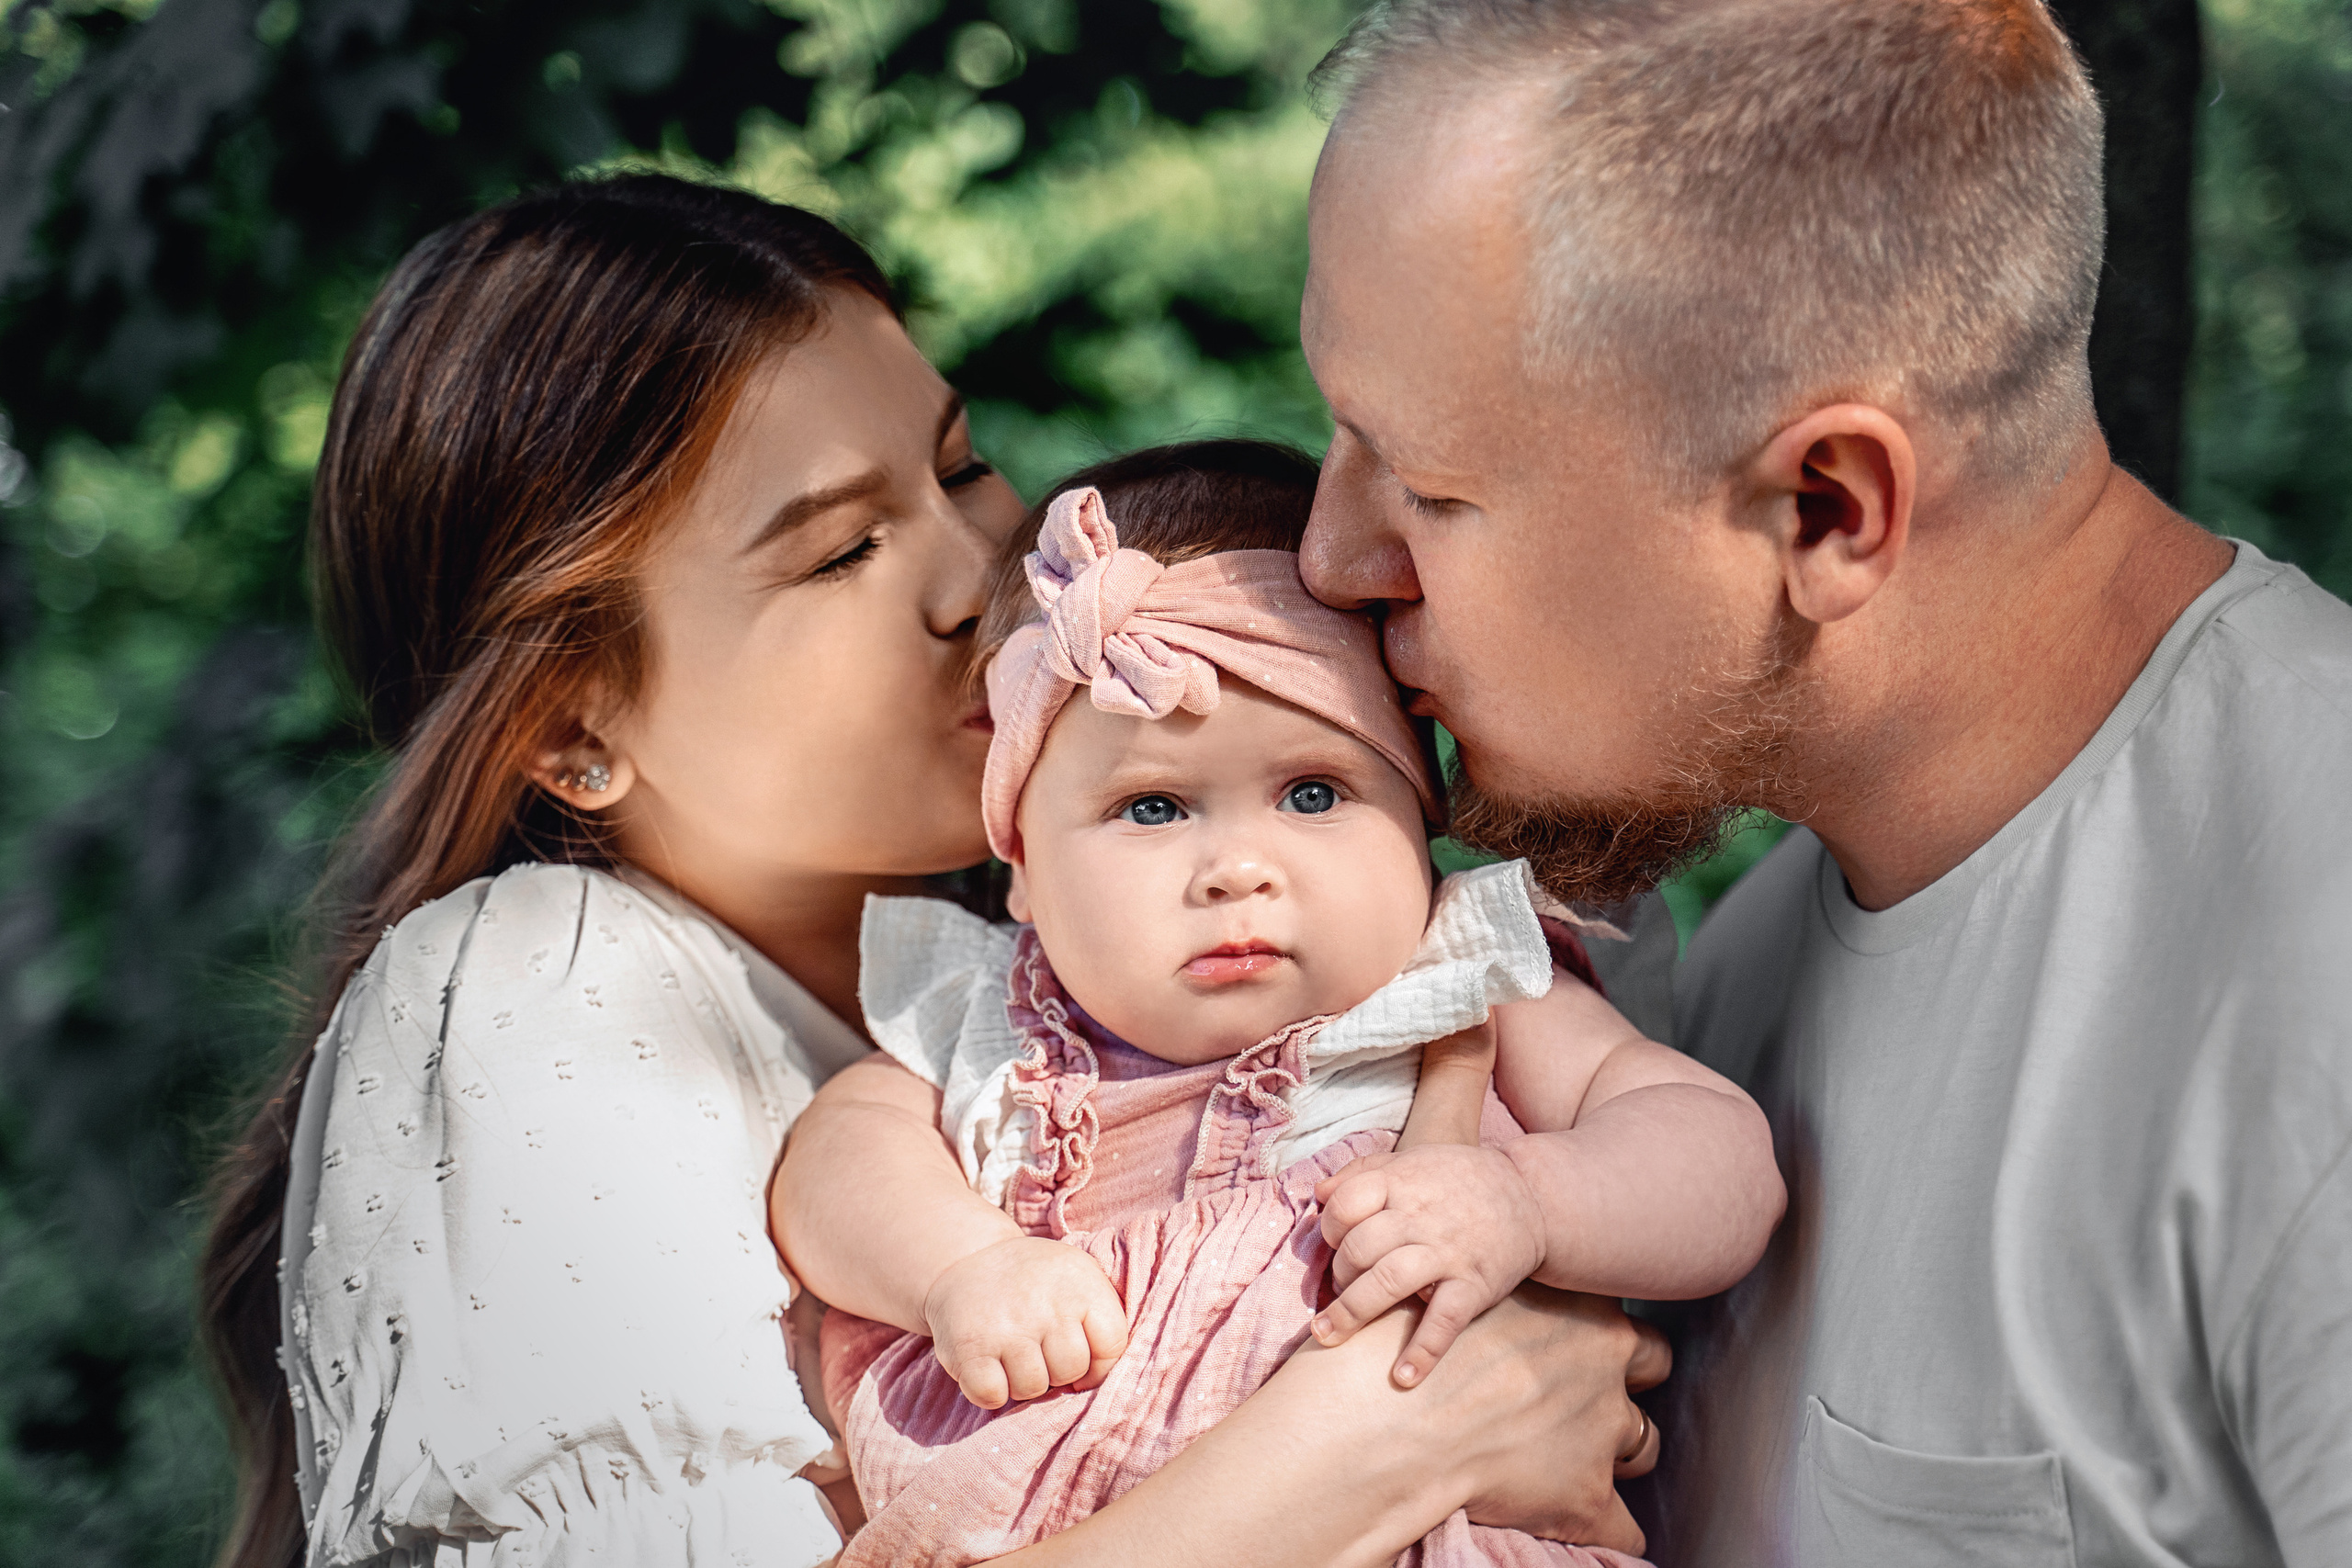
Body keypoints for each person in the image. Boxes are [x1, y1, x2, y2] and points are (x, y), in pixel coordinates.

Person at [199, 174, 1674, 1568]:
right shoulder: (540, 986)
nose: (981, 572)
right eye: (840, 550)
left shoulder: (1084, 977)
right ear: (573, 729)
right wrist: (1399, 1431)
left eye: (960, 466)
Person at [1295, 1, 2352, 1564]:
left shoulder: (2315, 1004)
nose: (1332, 559)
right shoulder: (1744, 971)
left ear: (1827, 508)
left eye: (1428, 487)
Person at [776, 448, 1782, 1566]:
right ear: (1022, 870)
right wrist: (959, 1265)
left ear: (1418, 820)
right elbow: (835, 1163)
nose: (1236, 869)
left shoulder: (1463, 983)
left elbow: (1721, 1157)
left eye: (1312, 793)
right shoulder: (998, 1021)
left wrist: (1531, 1201)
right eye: (1152, 808)